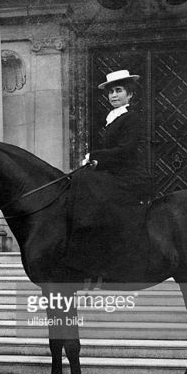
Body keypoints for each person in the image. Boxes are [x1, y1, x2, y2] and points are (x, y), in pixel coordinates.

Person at [67, 69, 152, 278]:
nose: (113, 95)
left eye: (118, 90)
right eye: (111, 92)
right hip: (117, 173)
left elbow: (126, 150)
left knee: (83, 180)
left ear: (130, 94)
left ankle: (88, 240)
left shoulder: (131, 118)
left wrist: (96, 157)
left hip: (131, 176)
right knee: (79, 178)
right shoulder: (113, 117)